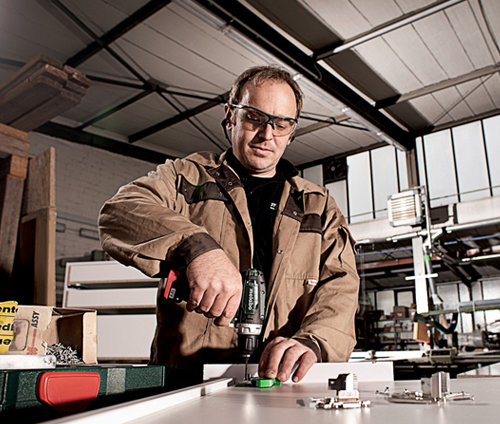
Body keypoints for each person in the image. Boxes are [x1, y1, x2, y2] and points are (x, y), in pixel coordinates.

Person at [99, 66, 359, 390]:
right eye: (254, 118)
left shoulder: (317, 205)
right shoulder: (187, 177)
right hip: (187, 382)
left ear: (292, 131)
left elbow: (341, 285)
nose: (267, 135)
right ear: (229, 116)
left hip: (284, 382)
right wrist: (195, 247)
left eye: (280, 124)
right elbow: (119, 211)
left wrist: (314, 341)